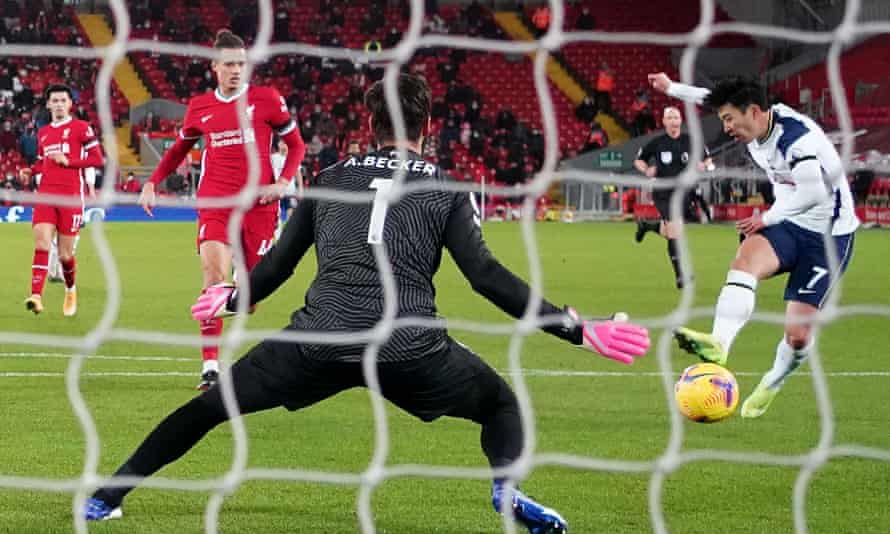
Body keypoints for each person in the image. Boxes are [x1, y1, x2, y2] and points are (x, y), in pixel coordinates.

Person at [84, 74, 651, 533]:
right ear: (427, 127)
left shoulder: (328, 179)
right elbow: (484, 277)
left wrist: (231, 298)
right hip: (408, 346)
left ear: (370, 124)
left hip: (319, 339)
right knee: (501, 406)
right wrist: (575, 328)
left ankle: (105, 498)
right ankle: (506, 488)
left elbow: (276, 268)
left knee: (209, 409)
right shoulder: (445, 190)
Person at [648, 73, 858, 417]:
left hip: (829, 236)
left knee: (798, 336)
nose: (727, 127)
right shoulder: (754, 120)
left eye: (730, 119)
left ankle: (774, 380)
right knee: (745, 261)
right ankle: (719, 343)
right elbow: (710, 96)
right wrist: (672, 89)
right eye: (724, 119)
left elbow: (814, 192)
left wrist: (768, 217)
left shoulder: (796, 139)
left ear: (755, 111)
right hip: (790, 224)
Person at [138, 30, 306, 391]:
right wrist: (153, 181)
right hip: (215, 202)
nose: (236, 70)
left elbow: (296, 146)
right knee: (213, 279)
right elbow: (178, 151)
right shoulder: (199, 107)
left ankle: (238, 300)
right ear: (214, 67)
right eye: (229, 64)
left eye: (242, 64)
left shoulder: (267, 100)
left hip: (259, 207)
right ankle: (210, 367)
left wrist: (283, 182)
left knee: (249, 299)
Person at [22, 84, 102, 316]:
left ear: (69, 104)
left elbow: (98, 159)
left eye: (62, 100)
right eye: (54, 100)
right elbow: (43, 162)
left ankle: (70, 289)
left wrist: (70, 162)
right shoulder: (43, 132)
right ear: (48, 104)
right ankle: (36, 295)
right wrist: (30, 170)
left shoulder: (82, 128)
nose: (58, 104)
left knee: (66, 255)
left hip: (70, 198)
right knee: (42, 244)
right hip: (46, 195)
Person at [633, 106, 712, 289]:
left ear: (680, 120)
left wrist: (704, 166)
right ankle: (681, 276)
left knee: (673, 232)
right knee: (676, 231)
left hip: (684, 192)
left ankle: (649, 225)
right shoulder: (657, 142)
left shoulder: (691, 141)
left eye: (676, 117)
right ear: (664, 121)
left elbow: (708, 159)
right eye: (669, 117)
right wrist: (647, 169)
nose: (673, 120)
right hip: (663, 192)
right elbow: (639, 160)